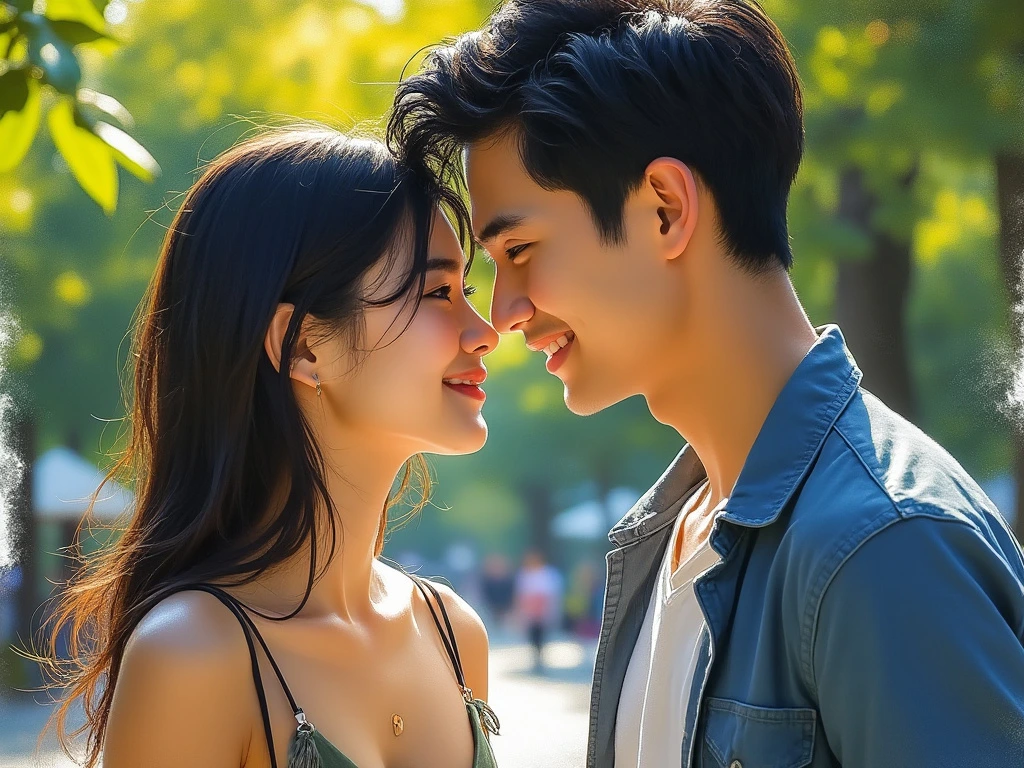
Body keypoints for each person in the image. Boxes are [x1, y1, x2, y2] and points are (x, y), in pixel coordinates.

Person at [388, 1, 1024, 766]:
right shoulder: (664, 538)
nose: (505, 312)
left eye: (519, 248)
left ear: (665, 209)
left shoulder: (885, 548)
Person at [40, 127, 501, 768]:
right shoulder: (194, 656)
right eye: (437, 293)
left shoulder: (454, 634)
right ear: (303, 344)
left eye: (467, 294)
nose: (485, 334)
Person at [513, 550, 563, 671]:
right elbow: (520, 594)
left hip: (543, 609)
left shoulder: (549, 574)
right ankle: (535, 656)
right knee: (532, 634)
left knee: (541, 634)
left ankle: (540, 656)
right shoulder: (524, 574)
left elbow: (553, 594)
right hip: (530, 610)